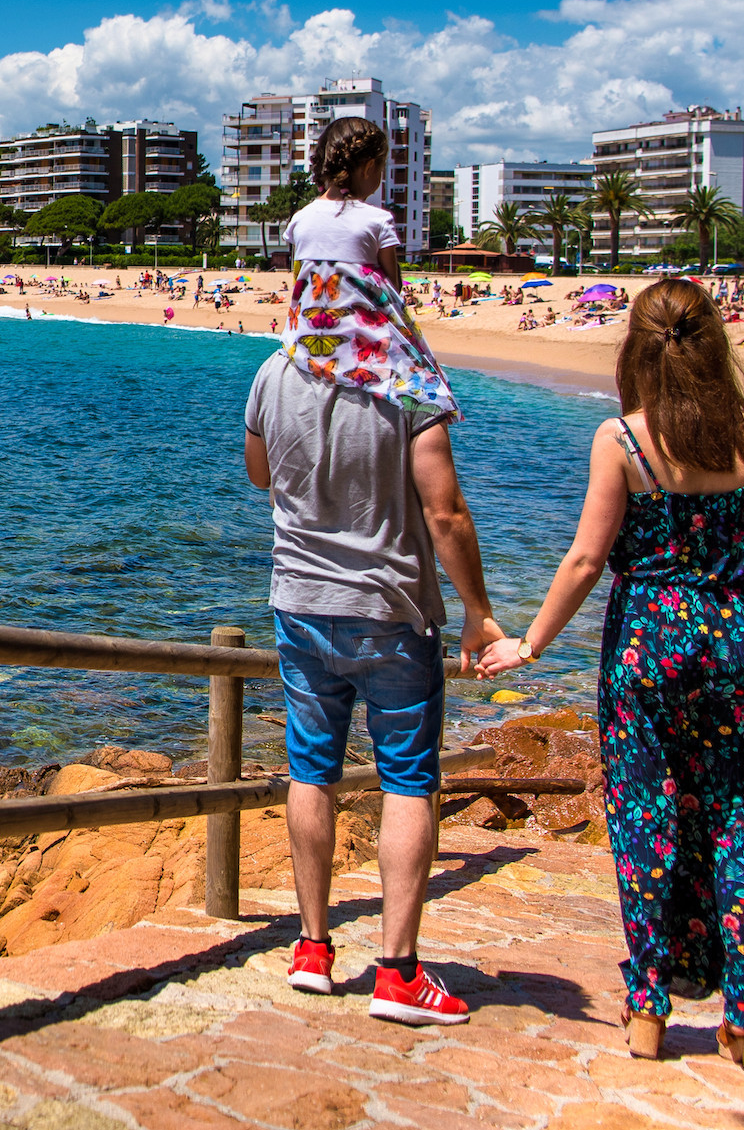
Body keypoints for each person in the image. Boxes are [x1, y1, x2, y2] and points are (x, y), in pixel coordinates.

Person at [476, 279, 744, 1076]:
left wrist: (530, 643)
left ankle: (651, 1011)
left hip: (649, 650)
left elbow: (587, 559)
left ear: (637, 348)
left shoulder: (624, 439)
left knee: (648, 818)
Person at [244, 325, 504, 1027]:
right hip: (391, 610)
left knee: (310, 771)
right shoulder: (408, 374)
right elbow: (444, 510)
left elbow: (260, 473)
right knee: (408, 781)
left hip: (300, 602)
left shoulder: (276, 369)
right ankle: (397, 973)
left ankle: (311, 948)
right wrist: (478, 612)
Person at [280, 117, 457, 419]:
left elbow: (300, 279)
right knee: (432, 394)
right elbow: (392, 287)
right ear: (369, 167)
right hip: (363, 342)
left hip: (306, 339)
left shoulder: (300, 218)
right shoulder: (378, 220)